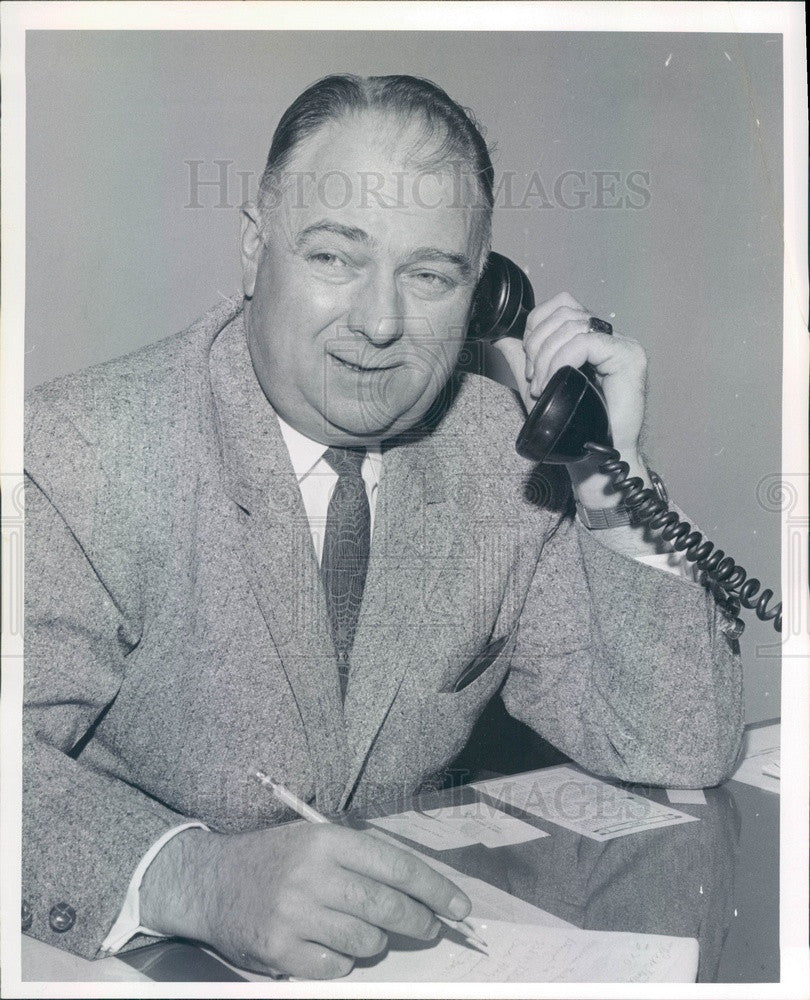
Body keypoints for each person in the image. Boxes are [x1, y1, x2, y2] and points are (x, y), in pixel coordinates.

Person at [23, 74, 743, 979]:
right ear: (254, 252)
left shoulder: (506, 459)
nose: (380, 322)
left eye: (431, 275)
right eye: (334, 258)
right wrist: (195, 879)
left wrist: (608, 472)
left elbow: (679, 741)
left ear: (486, 298)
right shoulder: (81, 451)